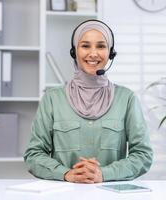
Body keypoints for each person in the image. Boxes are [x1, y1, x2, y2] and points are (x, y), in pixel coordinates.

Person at [24, 19, 153, 183]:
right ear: (74, 51)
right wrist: (65, 174)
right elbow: (34, 154)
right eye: (85, 46)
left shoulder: (127, 99)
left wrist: (104, 174)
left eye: (101, 46)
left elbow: (143, 154)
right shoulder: (52, 98)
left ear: (110, 53)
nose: (93, 53)